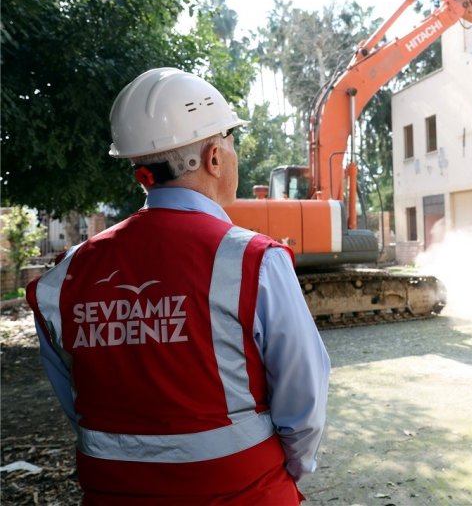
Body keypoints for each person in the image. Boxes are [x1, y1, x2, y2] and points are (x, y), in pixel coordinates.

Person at [27, 68, 330, 505]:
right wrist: (292, 469)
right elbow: (304, 401)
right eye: (231, 140)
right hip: (245, 493)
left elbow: (78, 407)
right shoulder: (253, 260)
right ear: (214, 158)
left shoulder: (65, 277)